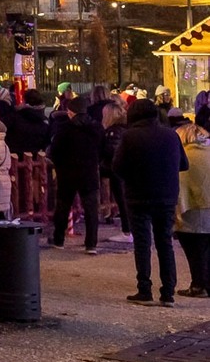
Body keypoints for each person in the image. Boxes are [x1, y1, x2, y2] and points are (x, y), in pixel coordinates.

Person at [114, 98, 188, 304]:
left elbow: (117, 166)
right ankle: (168, 293)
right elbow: (183, 164)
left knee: (142, 243)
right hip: (166, 196)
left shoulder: (130, 137)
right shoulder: (171, 136)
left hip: (138, 195)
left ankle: (144, 289)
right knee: (165, 243)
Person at [48, 94, 103, 253]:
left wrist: (58, 164)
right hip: (89, 172)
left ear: (71, 112)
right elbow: (102, 148)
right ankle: (91, 244)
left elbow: (55, 150)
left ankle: (59, 239)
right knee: (91, 209)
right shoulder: (96, 128)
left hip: (67, 172)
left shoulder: (65, 128)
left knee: (63, 207)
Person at [176, 117, 210, 297]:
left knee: (195, 250)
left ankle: (198, 285)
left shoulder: (185, 155)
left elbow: (180, 187)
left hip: (193, 210)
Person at [101, 100, 132, 243]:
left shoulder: (113, 132)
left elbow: (111, 151)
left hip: (117, 171)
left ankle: (127, 231)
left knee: (122, 200)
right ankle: (129, 229)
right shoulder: (125, 129)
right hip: (125, 169)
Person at [7, 89, 51, 155]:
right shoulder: (44, 121)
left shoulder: (14, 117)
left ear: (24, 101)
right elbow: (46, 142)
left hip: (14, 155)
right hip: (35, 155)